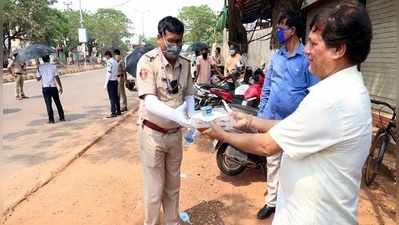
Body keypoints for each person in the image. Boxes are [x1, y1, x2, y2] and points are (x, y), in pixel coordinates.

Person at [203, 1, 372, 225]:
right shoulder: (346, 89)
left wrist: (223, 135)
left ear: (339, 49)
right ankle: (270, 200)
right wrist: (253, 119)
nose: (308, 50)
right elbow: (297, 119)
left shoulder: (330, 100)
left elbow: (266, 145)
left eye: (313, 43)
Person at [256, 10, 319, 220]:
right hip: (273, 120)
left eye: (282, 28)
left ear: (293, 30)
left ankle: (291, 205)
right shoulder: (277, 56)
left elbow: (313, 94)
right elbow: (267, 87)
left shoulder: (306, 58)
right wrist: (262, 114)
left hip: (296, 124)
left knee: (295, 167)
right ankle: (271, 202)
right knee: (272, 163)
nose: (278, 31)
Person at [136, 16, 194, 225]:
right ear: (159, 38)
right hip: (152, 135)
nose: (176, 46)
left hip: (174, 135)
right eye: (171, 41)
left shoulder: (185, 64)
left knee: (173, 187)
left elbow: (188, 94)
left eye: (179, 41)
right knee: (154, 191)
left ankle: (172, 221)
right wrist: (177, 116)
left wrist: (190, 119)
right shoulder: (147, 62)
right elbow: (149, 101)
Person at [36, 55, 65, 124]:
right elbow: (57, 77)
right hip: (53, 87)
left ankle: (51, 120)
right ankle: (62, 117)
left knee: (48, 104)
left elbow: (38, 79)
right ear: (49, 59)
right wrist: (60, 86)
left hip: (45, 88)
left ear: (42, 60)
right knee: (57, 102)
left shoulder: (40, 67)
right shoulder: (53, 66)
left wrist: (38, 71)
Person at [104, 50, 121, 118]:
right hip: (115, 81)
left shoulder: (109, 62)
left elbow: (108, 73)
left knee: (112, 98)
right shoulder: (115, 62)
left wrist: (105, 83)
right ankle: (118, 111)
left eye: (106, 56)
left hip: (110, 81)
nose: (105, 58)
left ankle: (113, 112)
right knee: (116, 97)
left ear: (108, 55)